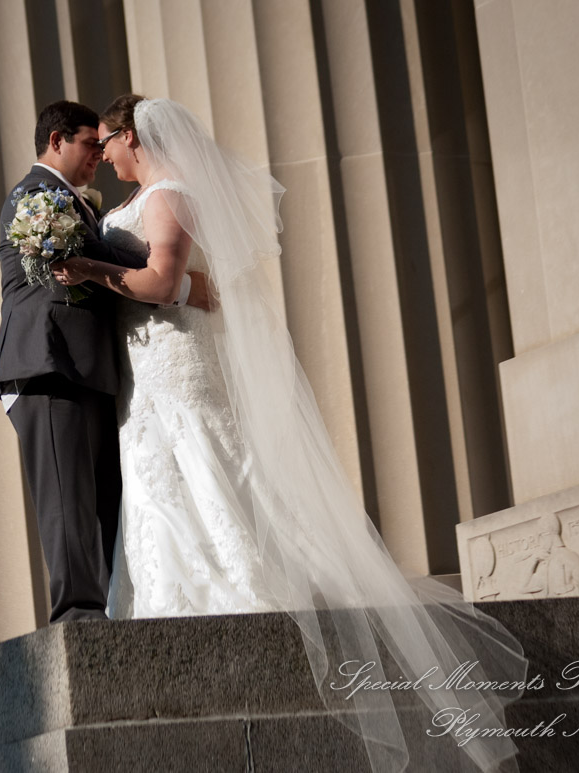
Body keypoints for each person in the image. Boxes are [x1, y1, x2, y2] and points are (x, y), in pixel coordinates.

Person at [50, 95, 529, 773]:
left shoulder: (169, 195)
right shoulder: (136, 200)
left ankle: (245, 601)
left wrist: (92, 270)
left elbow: (162, 281)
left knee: (203, 461)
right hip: (145, 371)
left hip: (176, 368)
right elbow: (205, 291)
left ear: (133, 137)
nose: (102, 153)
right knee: (158, 483)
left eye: (108, 141)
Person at [0, 100, 209, 624]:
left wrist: (175, 279)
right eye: (89, 144)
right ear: (56, 142)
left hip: (88, 369)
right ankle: (78, 619)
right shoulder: (36, 198)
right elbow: (112, 265)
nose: (98, 154)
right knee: (67, 502)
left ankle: (111, 611)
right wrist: (179, 284)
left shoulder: (77, 202)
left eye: (101, 143)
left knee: (103, 503)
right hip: (48, 365)